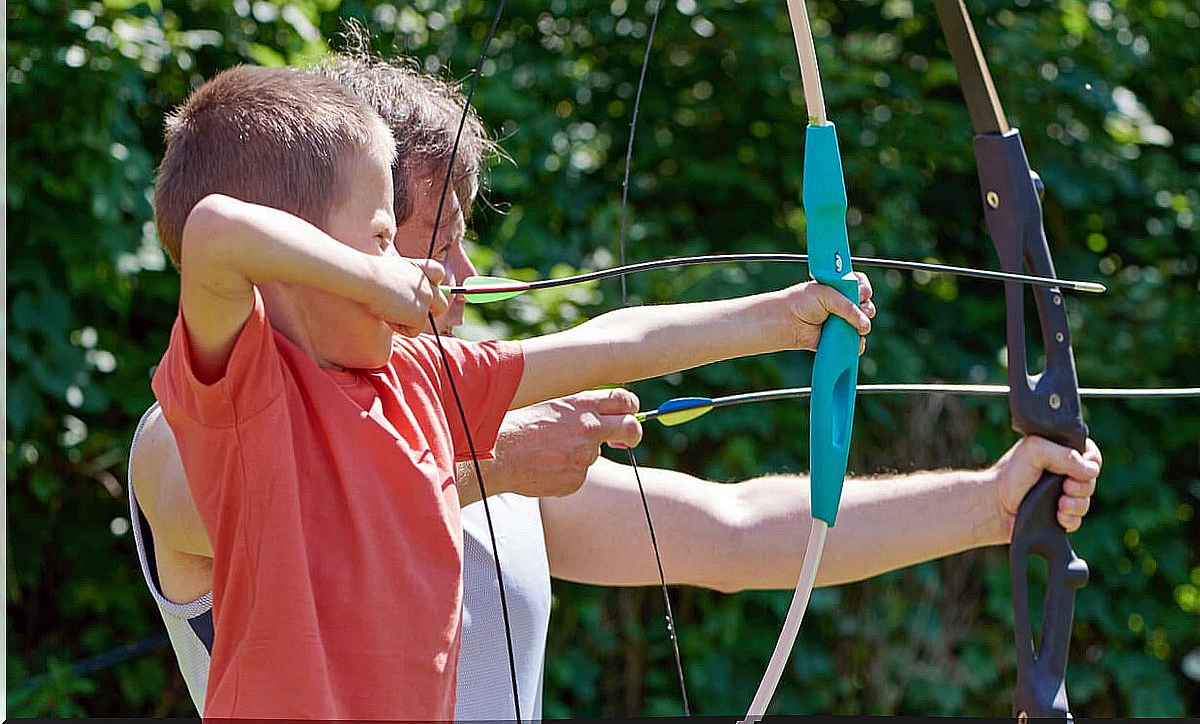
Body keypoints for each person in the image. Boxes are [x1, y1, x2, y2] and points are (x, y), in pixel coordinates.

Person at [131, 49, 1102, 720]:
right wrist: (487, 469)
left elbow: (733, 530)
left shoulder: (434, 390)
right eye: (419, 239)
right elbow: (244, 507)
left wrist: (991, 501)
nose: (460, 275)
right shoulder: (212, 417)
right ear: (307, 246)